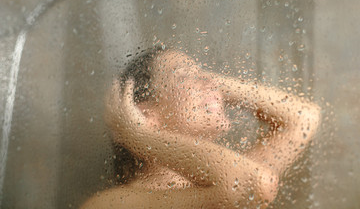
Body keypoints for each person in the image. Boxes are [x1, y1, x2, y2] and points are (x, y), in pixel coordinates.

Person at [81, 46, 321, 208]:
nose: (210, 81)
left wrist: (212, 85)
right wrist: (136, 134)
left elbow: (304, 117)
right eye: (185, 76)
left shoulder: (206, 188)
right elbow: (253, 184)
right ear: (144, 114)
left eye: (203, 74)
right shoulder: (111, 204)